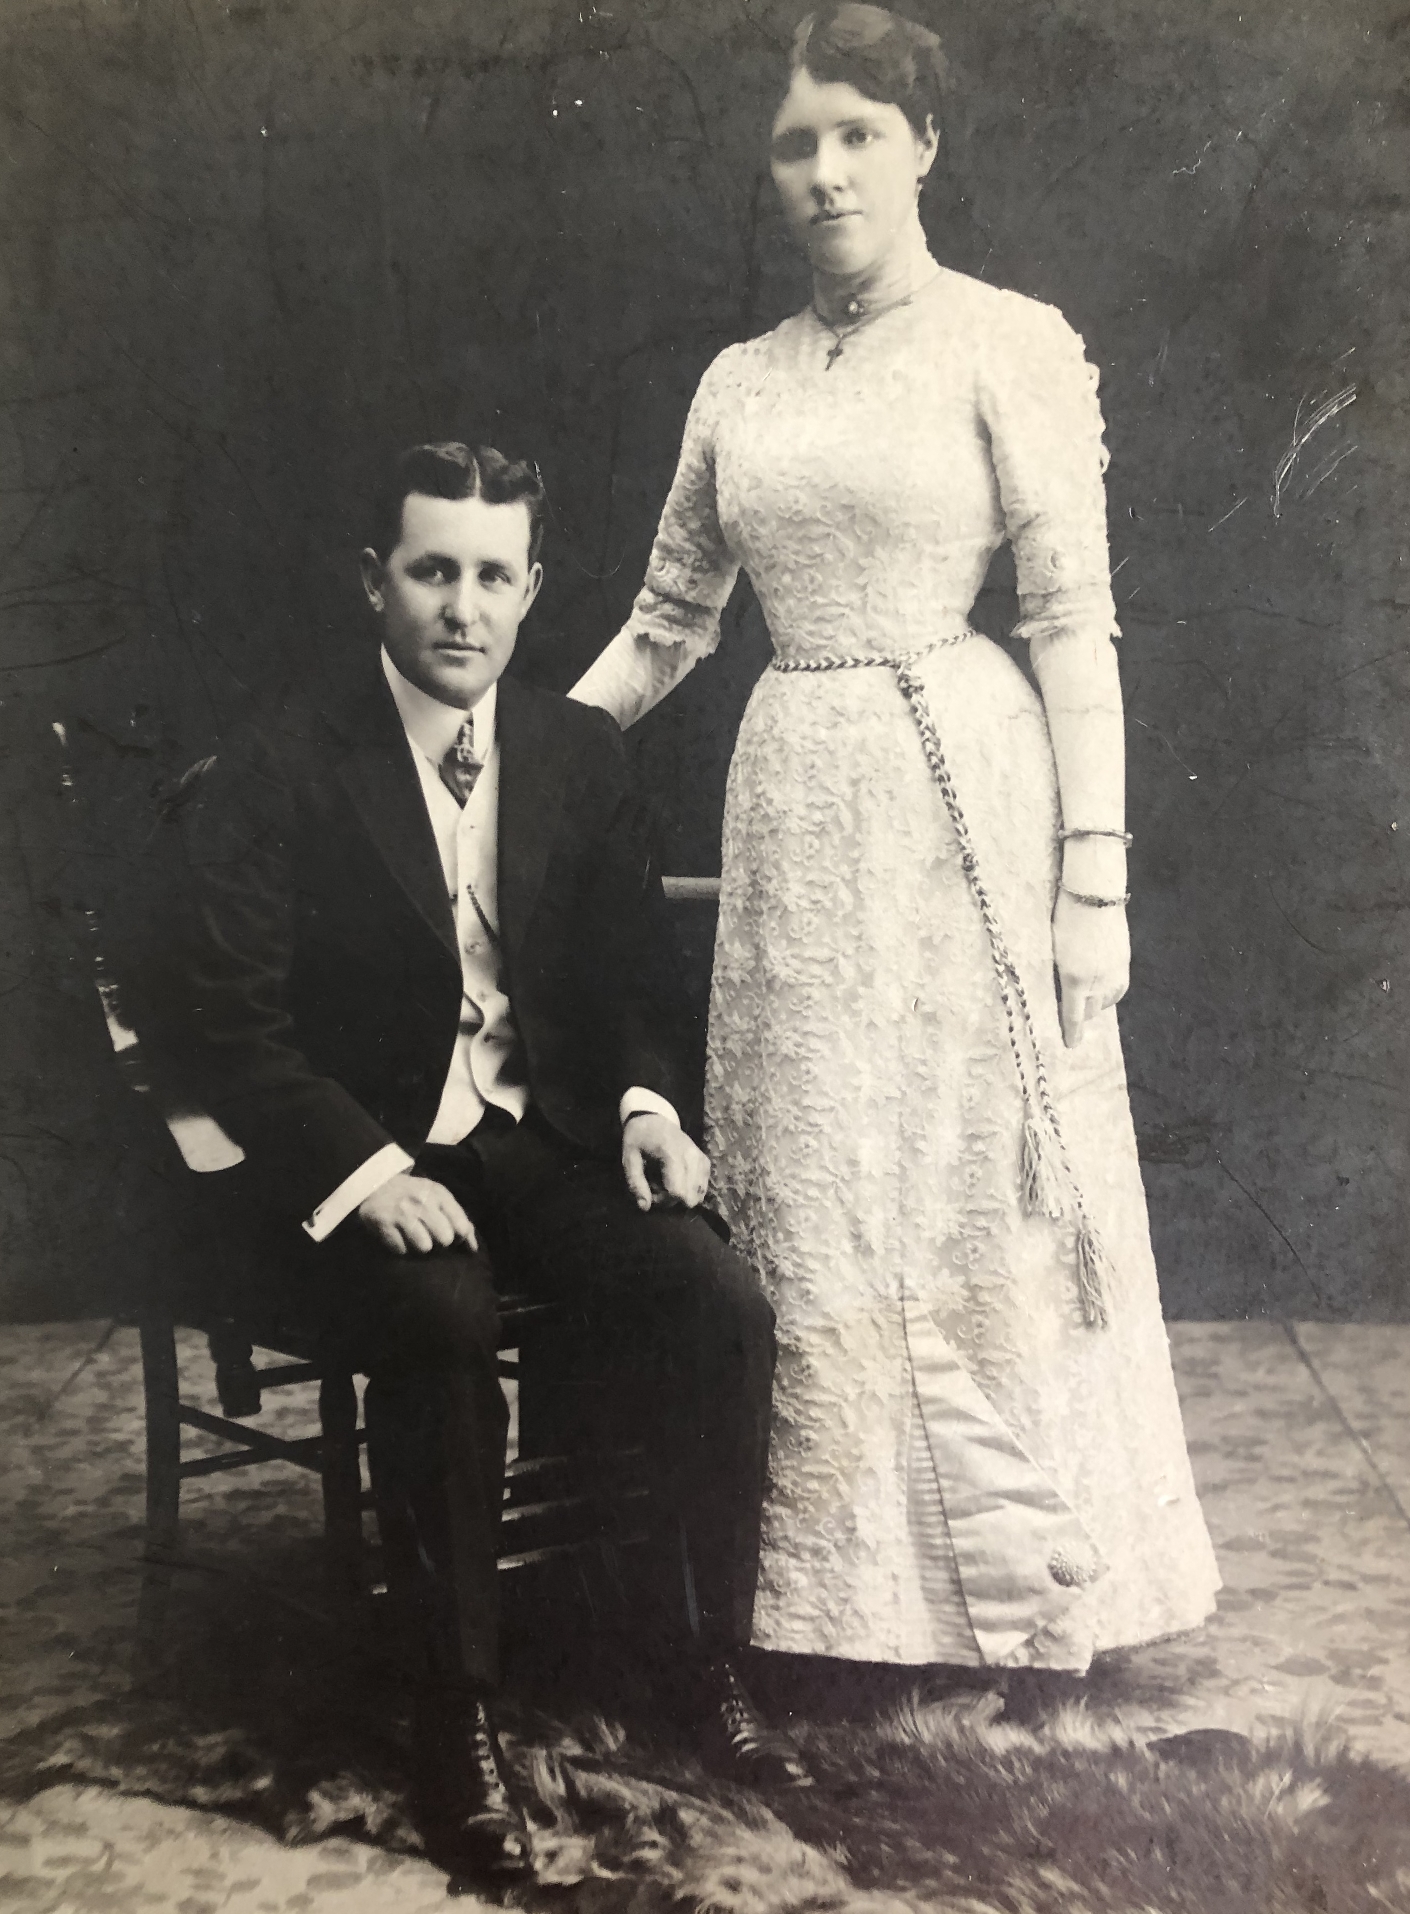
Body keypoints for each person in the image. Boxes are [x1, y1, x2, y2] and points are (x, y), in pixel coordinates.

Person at [570, 3, 1220, 1684]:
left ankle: (1028, 1591)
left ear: (925, 143)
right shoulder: (740, 383)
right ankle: (838, 1609)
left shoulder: (1011, 341)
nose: (826, 169)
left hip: (969, 807)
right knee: (821, 1182)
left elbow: (1076, 624)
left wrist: (1099, 881)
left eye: (859, 131)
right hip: (799, 803)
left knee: (972, 1191)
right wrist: (523, 750)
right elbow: (666, 625)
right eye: (797, 142)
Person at [167, 440, 812, 1885]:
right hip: (344, 1155)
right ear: (375, 582)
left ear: (533, 590)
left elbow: (637, 975)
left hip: (526, 1136)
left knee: (720, 1306)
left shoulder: (576, 751)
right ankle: (450, 1710)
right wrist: (360, 1171)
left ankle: (693, 1656)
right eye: (432, 570)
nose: (463, 606)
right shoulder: (286, 756)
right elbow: (228, 1021)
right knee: (448, 1320)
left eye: (492, 575)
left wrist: (648, 1104)